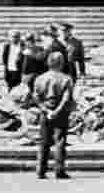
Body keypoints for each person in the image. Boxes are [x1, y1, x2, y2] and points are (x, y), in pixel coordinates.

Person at [32, 51, 75, 180]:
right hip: (60, 113)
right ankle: (59, 170)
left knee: (44, 142)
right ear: (61, 63)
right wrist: (57, 111)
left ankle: (40, 170)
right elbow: (66, 98)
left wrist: (46, 110)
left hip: (45, 111)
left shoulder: (40, 78)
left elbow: (36, 97)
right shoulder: (66, 78)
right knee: (60, 141)